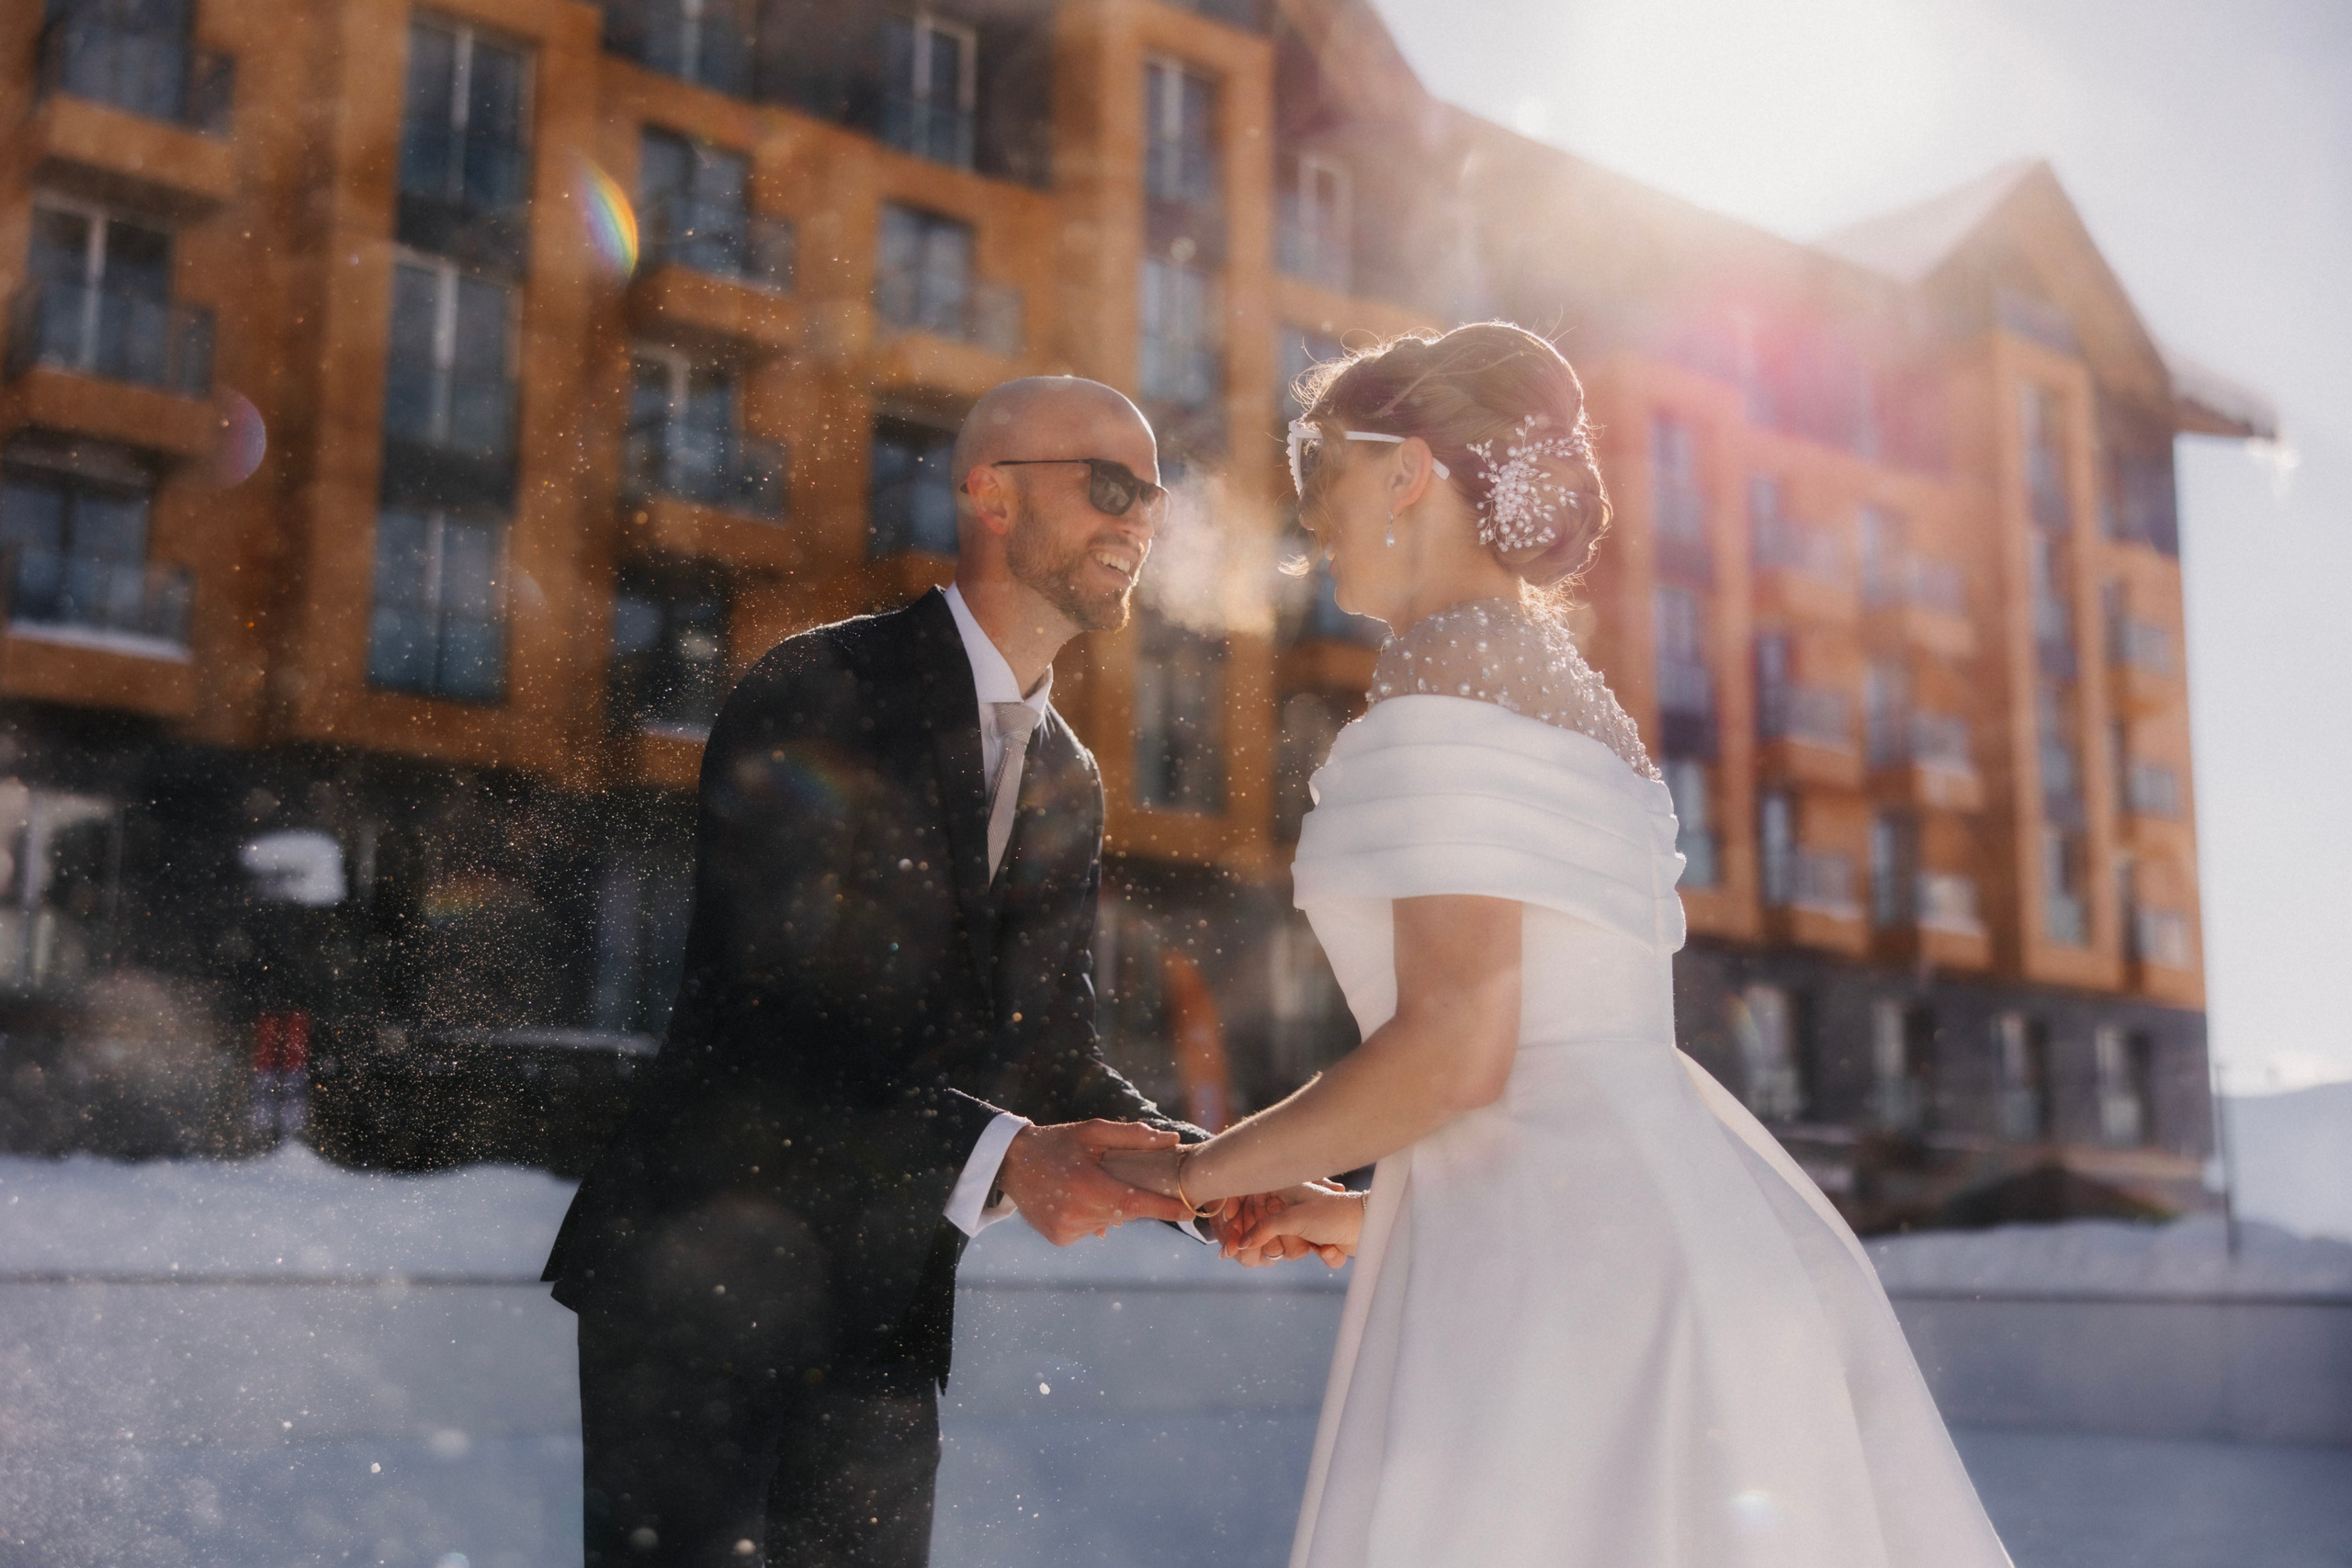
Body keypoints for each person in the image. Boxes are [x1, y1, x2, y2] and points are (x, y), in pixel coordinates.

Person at [1105, 324, 2016, 1568]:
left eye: (1324, 477)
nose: (1314, 522)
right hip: (1677, 1249)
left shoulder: (1441, 669)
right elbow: (1565, 1083)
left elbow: (1456, 1054)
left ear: (1408, 471)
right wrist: (1361, 1212)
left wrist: (1191, 1178)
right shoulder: (1565, 689)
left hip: (1573, 1321)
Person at [543, 376, 1223, 1567]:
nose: (1139, 523)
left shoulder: (1066, 776)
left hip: (881, 1315)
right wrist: (1009, 1156)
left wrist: (1216, 1181)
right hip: (700, 1289)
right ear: (989, 493)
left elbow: (1051, 1058)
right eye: (1112, 486)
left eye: (1155, 501)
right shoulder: (823, 689)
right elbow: (778, 1020)